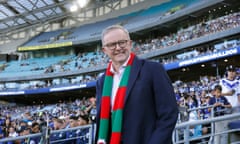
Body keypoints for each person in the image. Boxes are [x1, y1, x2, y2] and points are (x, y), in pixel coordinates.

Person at [95, 25, 178, 144]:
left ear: (130, 43)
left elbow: (169, 114)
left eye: (122, 42)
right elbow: (104, 122)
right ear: (104, 50)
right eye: (112, 45)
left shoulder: (153, 70)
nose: (118, 48)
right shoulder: (102, 82)